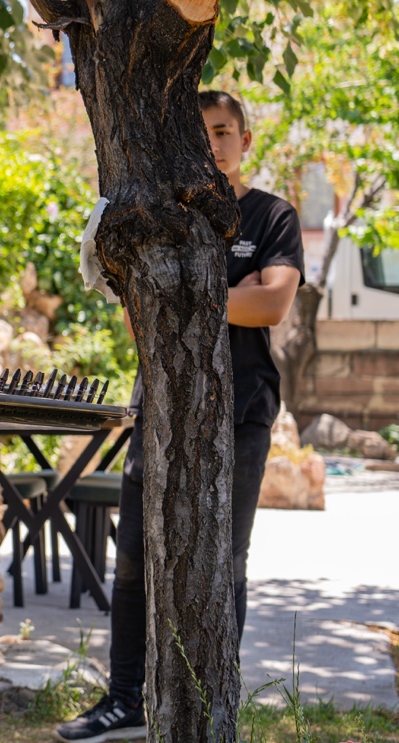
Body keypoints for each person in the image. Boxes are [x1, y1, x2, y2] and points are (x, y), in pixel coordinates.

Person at [56, 91, 304, 741]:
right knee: (134, 553)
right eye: (201, 133)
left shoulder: (271, 214)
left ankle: (209, 702)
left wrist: (191, 295)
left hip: (243, 407)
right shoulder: (163, 217)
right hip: (160, 401)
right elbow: (141, 308)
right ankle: (124, 700)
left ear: (245, 140)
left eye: (224, 131)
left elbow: (274, 301)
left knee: (228, 560)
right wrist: (228, 295)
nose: (214, 143)